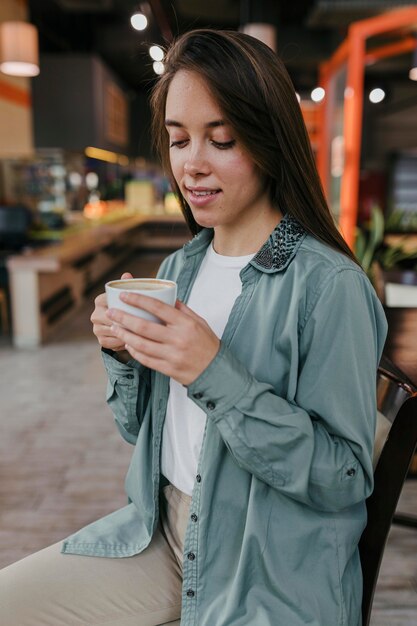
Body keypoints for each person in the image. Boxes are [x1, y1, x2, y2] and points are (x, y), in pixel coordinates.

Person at [0, 29, 387, 626]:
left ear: (267, 140)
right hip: (161, 534)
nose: (192, 164)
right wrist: (124, 356)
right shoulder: (178, 268)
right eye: (179, 140)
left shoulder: (328, 287)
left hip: (265, 560)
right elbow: (141, 431)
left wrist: (214, 373)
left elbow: (344, 478)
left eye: (222, 139)